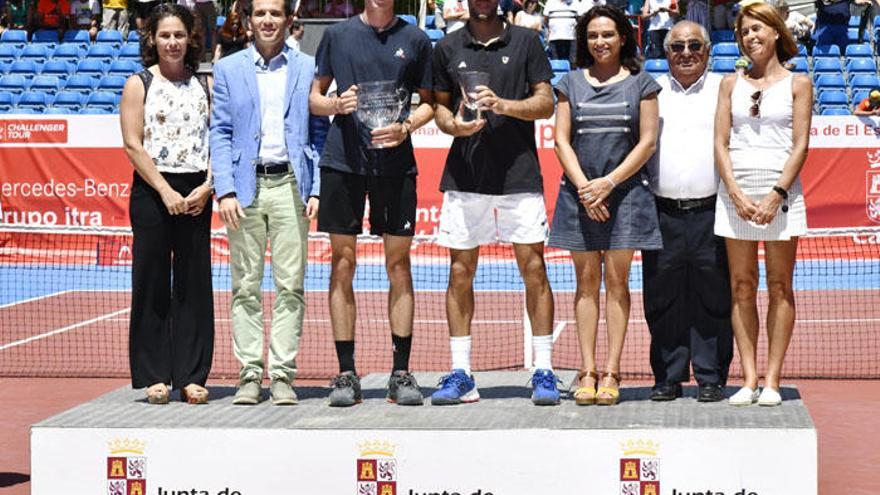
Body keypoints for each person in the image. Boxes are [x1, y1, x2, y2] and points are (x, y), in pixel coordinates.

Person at [431, 0, 558, 406]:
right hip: (466, 174)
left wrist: (503, 104)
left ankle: (544, 369)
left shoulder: (527, 41)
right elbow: (440, 107)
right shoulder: (448, 47)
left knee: (534, 268)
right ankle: (462, 372)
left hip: (519, 173)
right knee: (459, 271)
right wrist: (455, 125)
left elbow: (546, 102)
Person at [309, 0, 434, 407]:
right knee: (342, 262)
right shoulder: (337, 35)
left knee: (399, 265)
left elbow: (431, 102)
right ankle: (346, 373)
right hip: (343, 162)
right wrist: (335, 105)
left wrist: (406, 126)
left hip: (396, 164)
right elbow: (316, 98)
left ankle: (400, 373)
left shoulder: (415, 38)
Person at [211, 0, 324, 406]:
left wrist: (316, 189)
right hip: (243, 190)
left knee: (290, 286)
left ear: (288, 19)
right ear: (249, 19)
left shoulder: (307, 67)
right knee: (244, 287)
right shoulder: (227, 69)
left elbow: (319, 131)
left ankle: (282, 375)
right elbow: (220, 131)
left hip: (291, 186)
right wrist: (223, 189)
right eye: (261, 13)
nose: (268, 20)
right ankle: (248, 374)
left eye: (275, 13)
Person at [549, 5, 661, 406]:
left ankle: (612, 371)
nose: (600, 42)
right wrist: (586, 189)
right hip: (579, 197)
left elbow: (647, 142)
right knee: (584, 286)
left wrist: (609, 184)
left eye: (608, 34)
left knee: (617, 284)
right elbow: (561, 140)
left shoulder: (642, 83)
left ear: (623, 38)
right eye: (593, 35)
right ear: (584, 40)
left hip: (627, 197)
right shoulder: (569, 83)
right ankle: (587, 370)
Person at [714, 1, 811, 407]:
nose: (751, 36)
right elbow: (720, 142)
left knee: (779, 286)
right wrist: (734, 191)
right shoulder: (729, 84)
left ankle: (772, 379)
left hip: (780, 193)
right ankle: (749, 378)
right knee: (741, 286)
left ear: (775, 33)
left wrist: (776, 194)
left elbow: (801, 144)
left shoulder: (798, 83)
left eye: (758, 29)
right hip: (735, 192)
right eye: (745, 31)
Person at [119, 3, 214, 405]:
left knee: (194, 284)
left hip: (196, 194)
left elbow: (218, 140)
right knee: (152, 281)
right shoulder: (138, 84)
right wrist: (165, 191)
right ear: (152, 39)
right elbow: (132, 144)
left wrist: (207, 186)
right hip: (153, 192)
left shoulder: (204, 83)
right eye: (165, 36)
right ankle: (155, 375)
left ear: (188, 39)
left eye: (178, 35)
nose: (172, 43)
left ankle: (192, 376)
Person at [642, 21, 733, 403]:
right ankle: (668, 376)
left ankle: (711, 376)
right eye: (677, 46)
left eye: (694, 45)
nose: (686, 53)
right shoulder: (651, 91)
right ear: (666, 52)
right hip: (661, 212)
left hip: (713, 211)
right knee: (663, 299)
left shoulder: (724, 89)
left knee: (713, 298)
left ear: (708, 50)